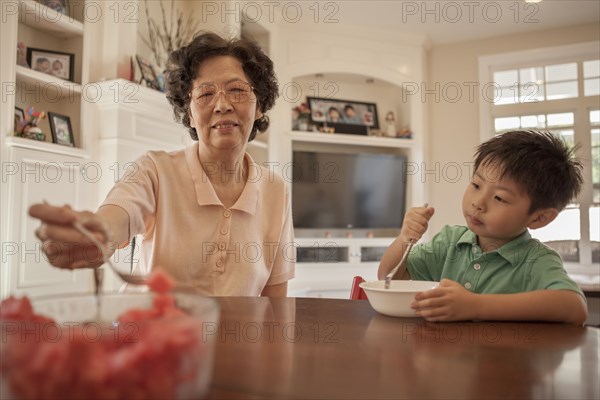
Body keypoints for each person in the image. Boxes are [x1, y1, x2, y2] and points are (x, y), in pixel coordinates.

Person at [29, 32, 294, 297]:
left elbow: (274, 304)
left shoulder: (275, 190)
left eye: (237, 90)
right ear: (188, 113)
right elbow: (115, 219)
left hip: (236, 338)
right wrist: (96, 235)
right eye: (205, 93)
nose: (222, 105)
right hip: (150, 333)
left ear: (259, 106)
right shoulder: (154, 170)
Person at [378, 130, 588, 325]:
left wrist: (474, 306)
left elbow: (574, 307)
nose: (478, 202)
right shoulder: (449, 242)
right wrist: (404, 238)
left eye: (499, 198)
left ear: (539, 218)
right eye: (476, 185)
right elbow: (389, 278)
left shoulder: (536, 260)